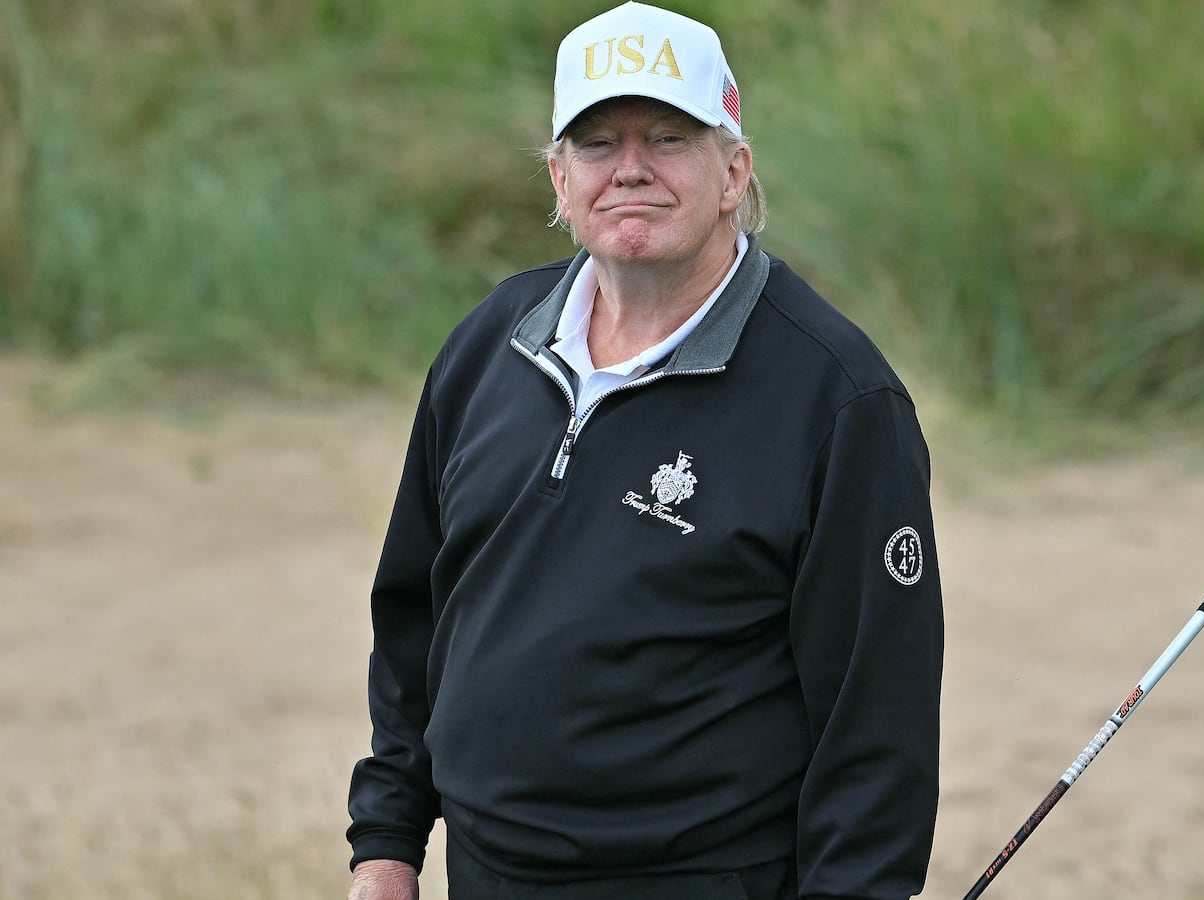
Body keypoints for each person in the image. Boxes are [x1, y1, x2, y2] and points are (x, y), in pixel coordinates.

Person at [345, 3, 943, 898]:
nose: (630, 169)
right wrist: (388, 844)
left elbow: (877, 722)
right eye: (595, 144)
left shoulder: (839, 397)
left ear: (733, 170)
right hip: (488, 872)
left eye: (668, 138)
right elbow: (415, 616)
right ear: (558, 177)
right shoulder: (490, 342)